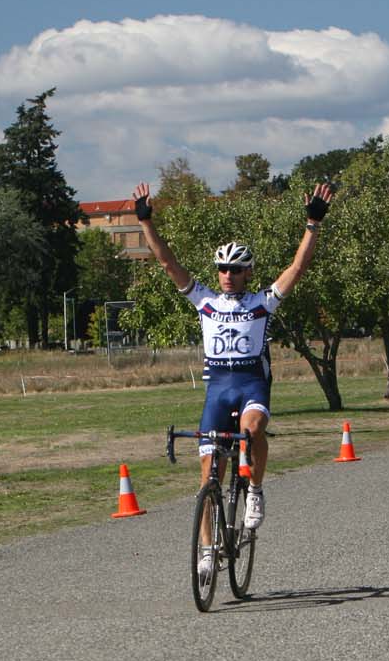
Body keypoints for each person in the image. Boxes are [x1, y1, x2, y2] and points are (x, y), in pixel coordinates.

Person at [131, 179, 334, 582]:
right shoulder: (204, 300)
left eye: (235, 269)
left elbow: (298, 268)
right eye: (222, 268)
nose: (227, 274)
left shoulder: (262, 302)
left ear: (247, 273)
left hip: (251, 384)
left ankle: (255, 491)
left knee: (253, 427)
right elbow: (168, 263)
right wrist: (146, 222)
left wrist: (312, 223)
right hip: (217, 390)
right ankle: (207, 550)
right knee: (208, 474)